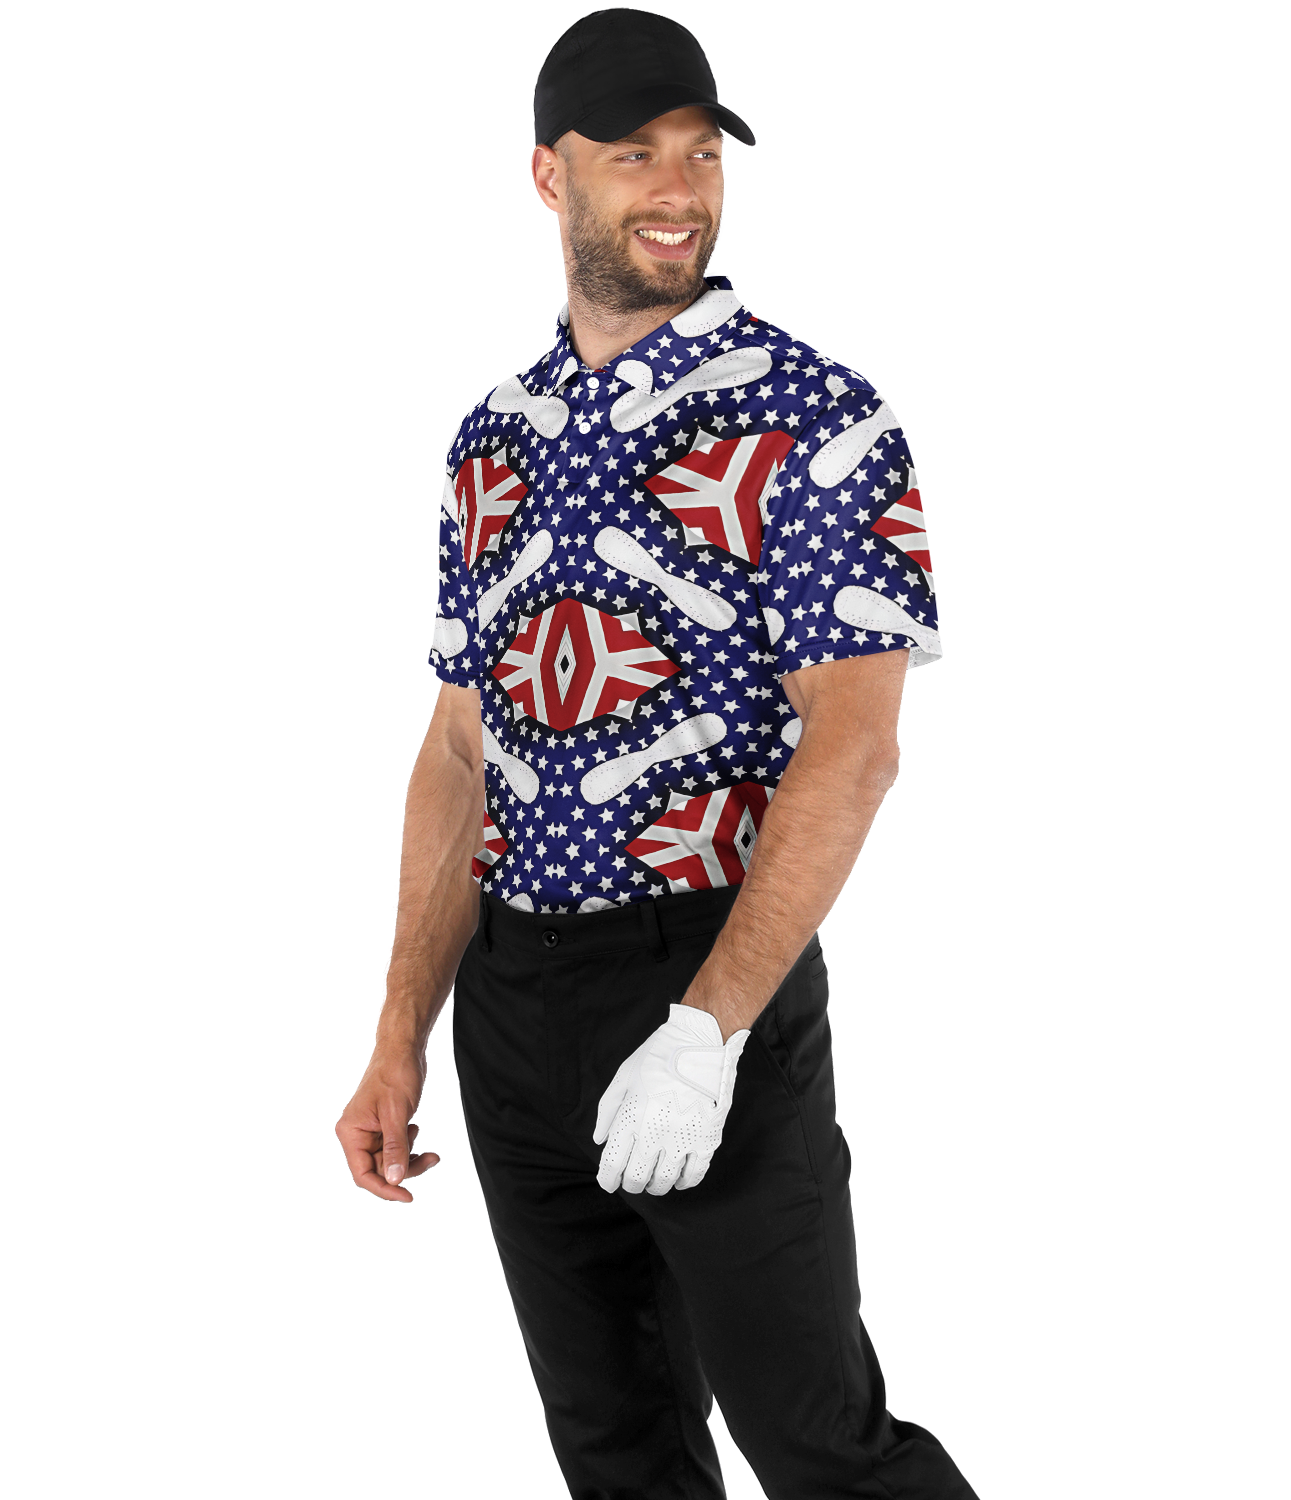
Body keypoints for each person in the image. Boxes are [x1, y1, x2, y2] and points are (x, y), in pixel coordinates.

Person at [334, 9, 976, 1497]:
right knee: (614, 1457)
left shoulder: (815, 417)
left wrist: (707, 1033)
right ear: (550, 176)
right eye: (634, 155)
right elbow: (460, 749)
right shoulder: (490, 441)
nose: (680, 189)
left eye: (701, 153)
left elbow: (856, 745)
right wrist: (399, 1034)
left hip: (706, 972)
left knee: (823, 1451)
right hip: (510, 999)